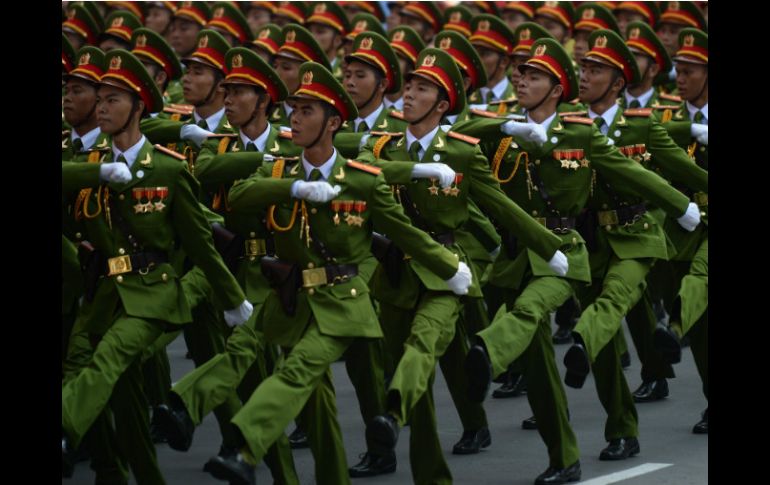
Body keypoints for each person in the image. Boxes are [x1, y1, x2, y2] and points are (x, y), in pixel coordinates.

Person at [207, 60, 473, 485]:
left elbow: (425, 222)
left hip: (357, 288)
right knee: (314, 388)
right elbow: (241, 193)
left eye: (306, 111)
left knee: (368, 370)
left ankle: (251, 443)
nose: (294, 118)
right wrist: (292, 187)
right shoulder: (301, 163)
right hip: (300, 292)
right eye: (293, 110)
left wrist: (461, 262)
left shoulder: (392, 164)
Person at [457, 37, 698, 484]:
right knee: (544, 365)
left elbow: (636, 173)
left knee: (601, 341)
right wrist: (507, 127)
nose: (521, 80)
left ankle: (623, 424)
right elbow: (457, 135)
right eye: (521, 74)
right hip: (529, 253)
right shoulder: (508, 133)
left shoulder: (585, 133)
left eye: (533, 76)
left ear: (555, 88)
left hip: (593, 242)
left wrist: (683, 205)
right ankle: (564, 455)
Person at [357, 47, 566, 485]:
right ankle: (438, 462)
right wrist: (418, 169)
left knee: (422, 350)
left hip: (446, 269)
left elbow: (501, 207)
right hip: (394, 272)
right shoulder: (383, 145)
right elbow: (363, 172)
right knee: (428, 366)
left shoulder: (462, 152)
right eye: (409, 86)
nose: (409, 95)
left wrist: (546, 247)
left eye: (423, 89)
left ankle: (404, 422)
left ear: (442, 103)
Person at [61, 48, 252, 478]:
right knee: (124, 403)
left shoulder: (168, 169)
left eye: (114, 100)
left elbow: (201, 243)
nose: (103, 107)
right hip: (103, 295)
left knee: (109, 357)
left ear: (138, 106)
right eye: (102, 99)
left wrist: (232, 299)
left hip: (153, 291)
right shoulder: (88, 166)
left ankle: (65, 428)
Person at [563, 28, 707, 461]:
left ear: (619, 82)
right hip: (591, 241)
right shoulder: (568, 125)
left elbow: (679, 172)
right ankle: (622, 430)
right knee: (608, 344)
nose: (585, 76)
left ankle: (638, 356)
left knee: (627, 310)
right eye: (583, 67)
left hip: (638, 236)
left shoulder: (642, 126)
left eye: (596, 70)